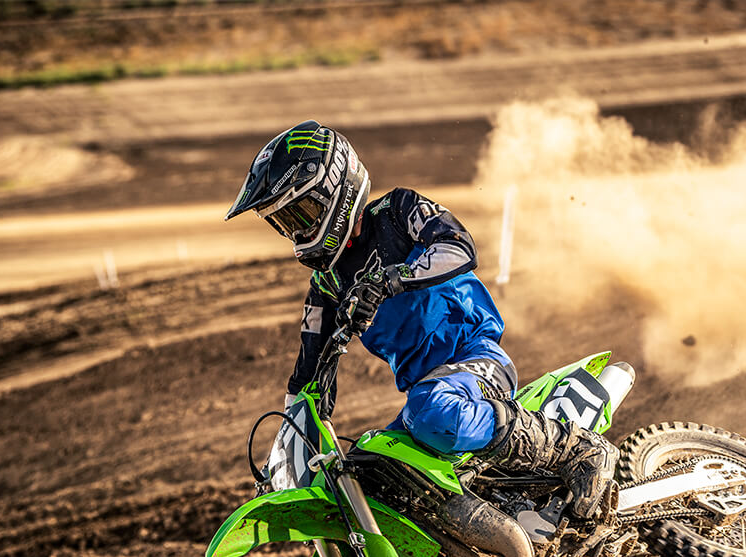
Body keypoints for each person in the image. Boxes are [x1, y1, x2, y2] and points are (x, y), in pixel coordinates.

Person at [224, 120, 617, 519]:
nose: (296, 230)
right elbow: (304, 381)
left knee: (430, 412)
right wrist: (283, 462)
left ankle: (575, 449)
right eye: (286, 223)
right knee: (373, 474)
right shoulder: (326, 286)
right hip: (429, 387)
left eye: (301, 213)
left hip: (476, 358)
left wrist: (390, 280)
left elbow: (458, 247)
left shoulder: (397, 212)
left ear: (333, 194)